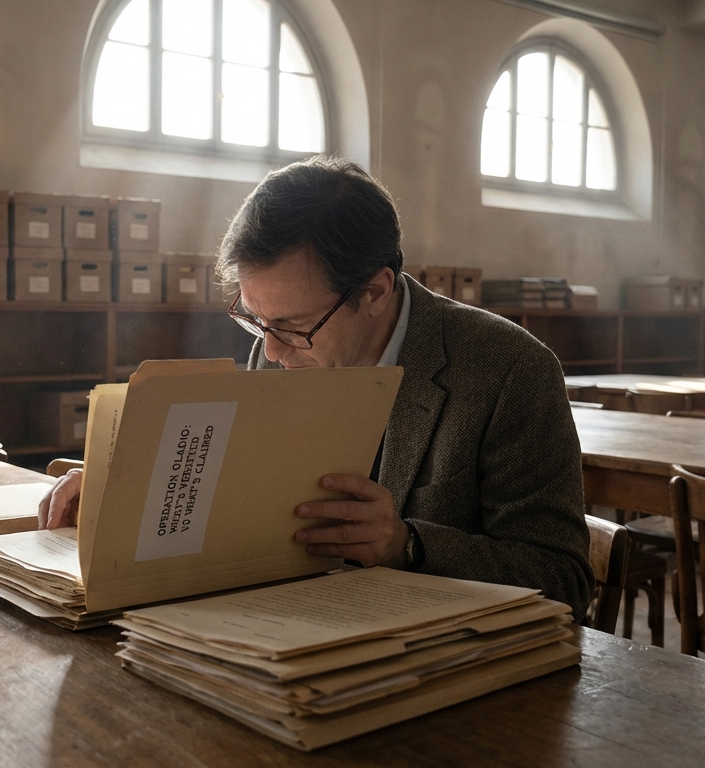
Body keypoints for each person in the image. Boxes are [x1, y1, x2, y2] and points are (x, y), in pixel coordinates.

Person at [38, 156, 593, 616]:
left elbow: (565, 578)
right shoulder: (275, 340)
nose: (273, 352)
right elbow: (245, 490)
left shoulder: (509, 370)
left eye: (294, 328)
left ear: (376, 290)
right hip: (288, 632)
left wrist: (407, 544)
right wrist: (135, 488)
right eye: (256, 320)